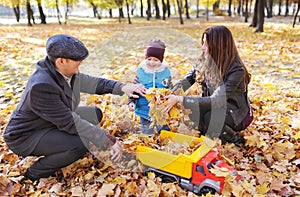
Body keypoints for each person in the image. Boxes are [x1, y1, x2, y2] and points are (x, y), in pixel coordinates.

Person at [3, 34, 146, 181]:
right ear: (62, 61)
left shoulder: (61, 70)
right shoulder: (41, 86)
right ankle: (35, 173)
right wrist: (108, 140)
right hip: (27, 135)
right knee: (80, 144)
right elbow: (71, 122)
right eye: (77, 59)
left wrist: (123, 87)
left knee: (95, 114)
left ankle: (61, 143)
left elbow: (94, 83)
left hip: (49, 120)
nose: (81, 62)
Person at [164, 26, 253, 146]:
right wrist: (170, 94)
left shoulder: (236, 70)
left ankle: (235, 139)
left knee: (211, 117)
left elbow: (217, 100)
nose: (202, 47)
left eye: (206, 44)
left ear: (218, 46)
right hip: (216, 106)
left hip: (236, 113)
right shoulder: (205, 62)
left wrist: (180, 99)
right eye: (203, 43)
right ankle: (211, 134)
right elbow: (187, 81)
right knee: (193, 111)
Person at [128, 39, 172, 134]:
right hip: (144, 108)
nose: (152, 62)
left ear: (161, 59)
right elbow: (133, 88)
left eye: (156, 60)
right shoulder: (141, 72)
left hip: (160, 108)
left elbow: (169, 88)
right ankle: (149, 139)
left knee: (163, 129)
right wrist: (131, 101)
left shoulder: (165, 72)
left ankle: (164, 141)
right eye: (149, 59)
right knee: (147, 130)